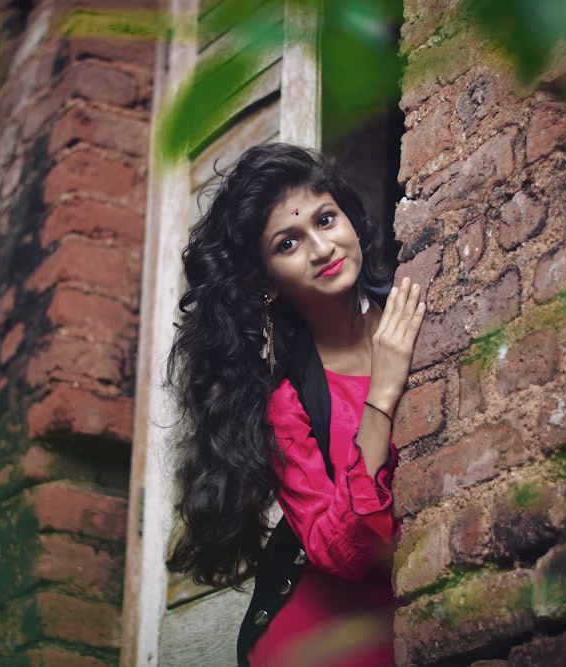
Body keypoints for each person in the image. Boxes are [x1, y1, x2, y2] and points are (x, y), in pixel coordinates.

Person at [166, 143, 425, 666]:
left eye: (327, 220)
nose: (322, 248)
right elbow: (338, 552)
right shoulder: (285, 405)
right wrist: (382, 394)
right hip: (327, 641)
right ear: (265, 282)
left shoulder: (417, 296)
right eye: (289, 242)